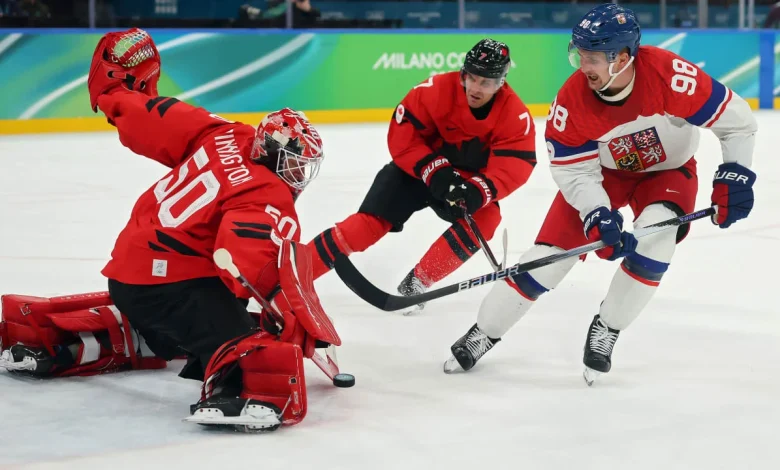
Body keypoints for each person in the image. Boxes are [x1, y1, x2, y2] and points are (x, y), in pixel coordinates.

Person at [0, 28, 334, 432]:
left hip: (128, 272)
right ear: (276, 154)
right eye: (296, 164)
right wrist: (287, 313)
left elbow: (149, 115)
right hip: (169, 285)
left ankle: (94, 336)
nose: (297, 176)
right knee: (250, 340)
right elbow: (246, 261)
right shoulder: (268, 192)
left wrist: (113, 94)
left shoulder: (227, 132)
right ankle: (235, 388)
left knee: (197, 308)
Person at [444, 4, 757, 384]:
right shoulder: (572, 101)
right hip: (603, 175)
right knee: (547, 260)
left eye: (592, 57)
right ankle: (485, 331)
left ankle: (608, 327)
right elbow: (573, 168)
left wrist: (735, 174)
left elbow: (737, 122)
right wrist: (596, 212)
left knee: (656, 241)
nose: (582, 66)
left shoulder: (670, 77)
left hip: (668, 172)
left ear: (623, 57)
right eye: (579, 55)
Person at [307, 38, 537, 314]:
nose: (475, 88)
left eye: (486, 82)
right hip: (415, 172)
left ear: (501, 82)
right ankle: (301, 268)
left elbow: (514, 165)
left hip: (463, 184)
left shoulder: (515, 115)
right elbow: (403, 133)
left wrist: (477, 190)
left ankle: (418, 282)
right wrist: (435, 170)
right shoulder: (436, 90)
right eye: (471, 78)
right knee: (368, 224)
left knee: (487, 218)